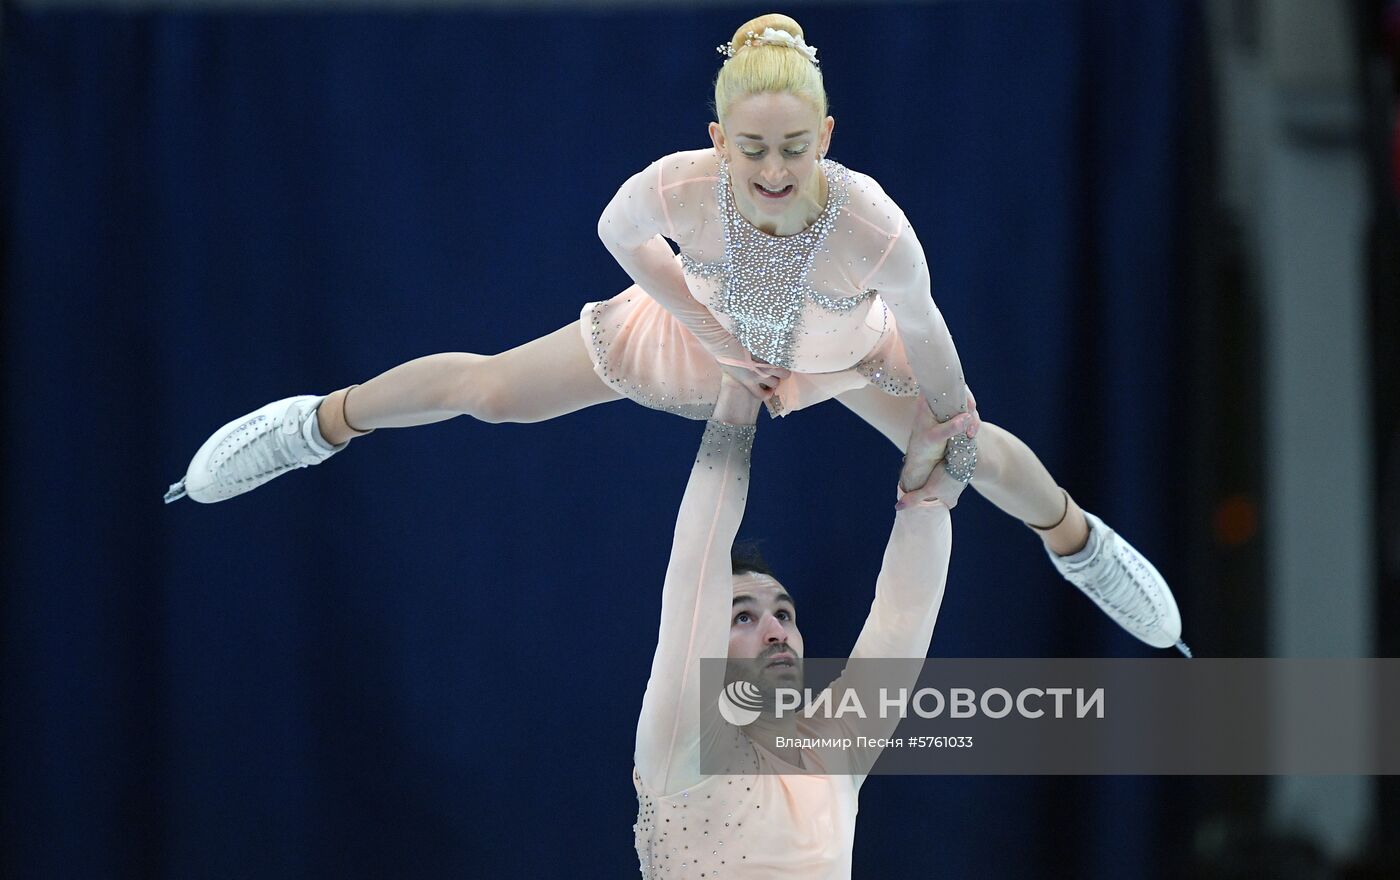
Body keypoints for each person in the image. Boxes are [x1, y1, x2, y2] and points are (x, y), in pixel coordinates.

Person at [163, 13, 1185, 653]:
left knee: (967, 443)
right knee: (491, 394)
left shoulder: (870, 223)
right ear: (716, 142)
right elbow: (615, 231)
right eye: (752, 151)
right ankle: (320, 423)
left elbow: (926, 324)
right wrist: (705, 321)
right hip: (686, 339)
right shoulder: (682, 186)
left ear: (824, 137)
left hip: (836, 349)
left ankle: (1077, 540)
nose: (774, 170)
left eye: (793, 148)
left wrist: (949, 411)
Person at [633, 373, 958, 878]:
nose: (776, 631)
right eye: (743, 616)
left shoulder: (834, 748)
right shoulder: (683, 747)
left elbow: (901, 622)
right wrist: (738, 392)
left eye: (784, 614)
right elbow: (696, 566)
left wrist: (927, 494)